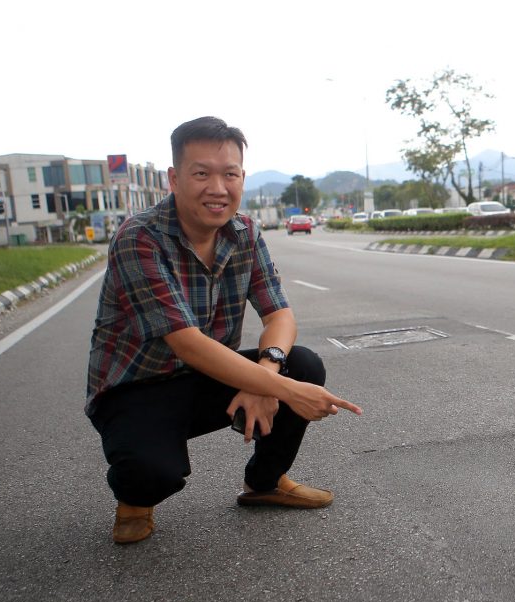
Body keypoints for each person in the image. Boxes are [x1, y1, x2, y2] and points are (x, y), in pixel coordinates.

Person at [85, 116, 362, 544]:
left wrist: (269, 376)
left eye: (229, 174)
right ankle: (135, 499)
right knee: (153, 471)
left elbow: (279, 316)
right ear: (174, 179)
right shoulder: (139, 238)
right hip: (134, 389)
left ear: (242, 178)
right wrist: (286, 392)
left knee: (301, 363)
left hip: (206, 377)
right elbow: (187, 343)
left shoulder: (245, 232)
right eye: (202, 173)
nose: (218, 187)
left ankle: (265, 483)